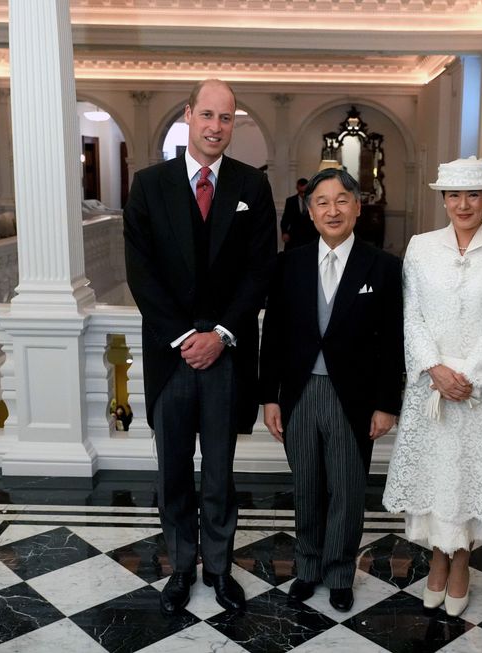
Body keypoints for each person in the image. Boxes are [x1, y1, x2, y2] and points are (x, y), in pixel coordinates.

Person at [124, 79, 277, 615]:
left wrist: (221, 336)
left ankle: (218, 567)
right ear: (189, 115)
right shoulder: (148, 185)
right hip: (171, 358)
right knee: (173, 474)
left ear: (234, 124)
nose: (216, 126)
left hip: (227, 356)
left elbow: (261, 271)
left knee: (219, 472)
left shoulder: (251, 188)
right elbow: (140, 273)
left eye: (227, 117)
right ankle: (181, 567)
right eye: (207, 114)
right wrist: (187, 337)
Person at [383, 156, 482, 617]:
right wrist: (434, 370)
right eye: (453, 195)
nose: (462, 204)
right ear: (443, 199)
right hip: (433, 387)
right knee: (439, 475)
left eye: (473, 195)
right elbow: (410, 314)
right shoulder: (421, 247)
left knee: (470, 478)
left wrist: (468, 375)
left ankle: (461, 561)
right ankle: (436, 560)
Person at [260, 168, 404, 612]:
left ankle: (340, 571)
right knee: (305, 486)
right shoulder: (290, 264)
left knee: (345, 488)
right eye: (322, 201)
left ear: (358, 206)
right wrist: (269, 397)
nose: (332, 209)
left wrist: (385, 404)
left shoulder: (383, 266)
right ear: (310, 210)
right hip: (300, 394)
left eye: (342, 199)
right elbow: (275, 336)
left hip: (353, 398)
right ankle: (307, 566)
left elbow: (393, 342)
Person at [280, 177, 318, 250]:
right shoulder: (290, 201)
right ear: (297, 188)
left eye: (305, 192)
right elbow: (285, 218)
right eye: (301, 192)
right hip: (294, 237)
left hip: (311, 236)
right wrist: (284, 232)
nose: (303, 194)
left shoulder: (314, 201)